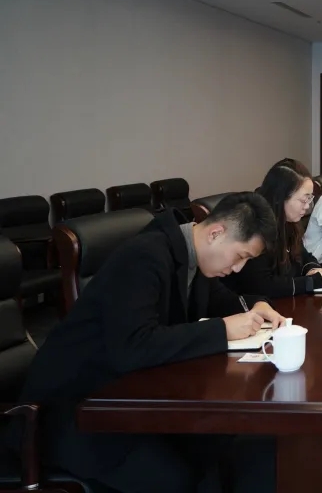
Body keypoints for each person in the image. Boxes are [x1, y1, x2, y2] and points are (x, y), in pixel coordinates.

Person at [15, 193, 284, 493]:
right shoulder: (144, 256)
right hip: (73, 412)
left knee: (218, 444)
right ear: (215, 233)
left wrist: (256, 306)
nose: (238, 269)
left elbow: (222, 301)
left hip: (125, 396)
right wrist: (221, 330)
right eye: (240, 256)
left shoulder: (190, 256)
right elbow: (133, 346)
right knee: (178, 475)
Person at [226, 163, 322, 296]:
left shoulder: (289, 223)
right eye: (303, 200)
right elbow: (261, 285)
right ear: (280, 198)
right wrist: (312, 282)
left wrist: (312, 269)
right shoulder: (257, 228)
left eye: (310, 199)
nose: (307, 206)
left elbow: (304, 256)